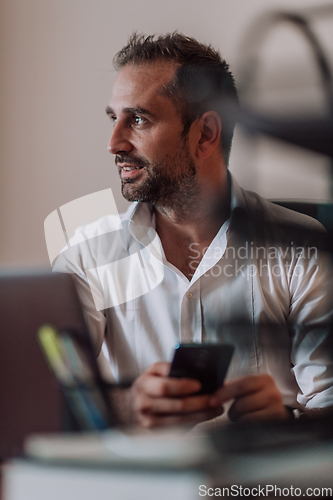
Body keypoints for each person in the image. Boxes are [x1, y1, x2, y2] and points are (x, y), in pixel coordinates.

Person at [54, 33, 333, 428]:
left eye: (138, 119)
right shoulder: (88, 254)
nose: (114, 143)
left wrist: (288, 423)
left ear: (205, 134)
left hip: (259, 487)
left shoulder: (301, 248)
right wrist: (129, 405)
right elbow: (45, 398)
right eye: (113, 118)